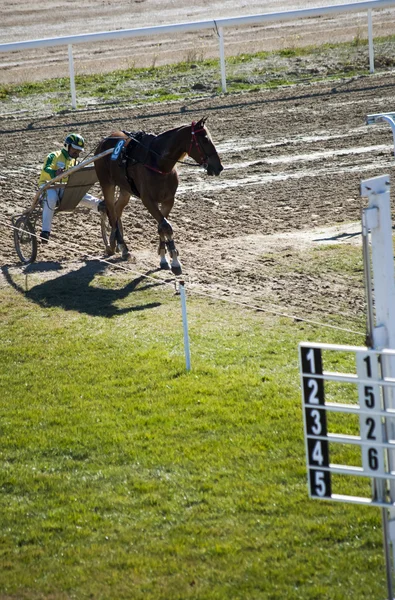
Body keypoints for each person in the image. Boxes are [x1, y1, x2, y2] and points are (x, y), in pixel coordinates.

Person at [38, 133, 106, 243]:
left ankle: (99, 205)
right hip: (48, 186)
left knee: (78, 193)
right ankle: (45, 232)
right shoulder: (53, 156)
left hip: (64, 188)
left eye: (79, 151)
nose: (77, 153)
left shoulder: (74, 161)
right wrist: (55, 172)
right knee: (51, 197)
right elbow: (46, 169)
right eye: (75, 149)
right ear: (67, 146)